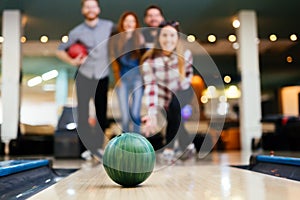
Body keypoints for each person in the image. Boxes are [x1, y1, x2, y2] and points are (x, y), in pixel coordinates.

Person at [56, 0, 114, 160]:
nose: (90, 9)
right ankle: (85, 149)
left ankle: (98, 148)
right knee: (82, 113)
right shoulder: (76, 32)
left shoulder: (109, 26)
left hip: (102, 75)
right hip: (84, 75)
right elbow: (60, 50)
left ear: (98, 9)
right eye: (87, 6)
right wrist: (73, 61)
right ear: (83, 10)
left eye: (93, 6)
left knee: (101, 113)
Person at [141, 21, 194, 161]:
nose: (168, 39)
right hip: (163, 97)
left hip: (183, 90)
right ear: (158, 37)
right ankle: (188, 146)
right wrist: (151, 113)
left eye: (172, 35)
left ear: (177, 38)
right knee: (175, 119)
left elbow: (188, 77)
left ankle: (169, 148)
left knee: (174, 106)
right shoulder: (149, 61)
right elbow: (151, 87)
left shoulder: (185, 55)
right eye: (164, 35)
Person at [109, 11, 145, 133]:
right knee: (125, 116)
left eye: (132, 21)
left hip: (137, 78)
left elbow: (145, 58)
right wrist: (117, 78)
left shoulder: (140, 38)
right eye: (127, 21)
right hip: (122, 79)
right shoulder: (116, 40)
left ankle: (137, 143)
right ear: (122, 23)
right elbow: (113, 60)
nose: (129, 23)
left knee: (135, 113)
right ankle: (126, 145)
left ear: (136, 24)